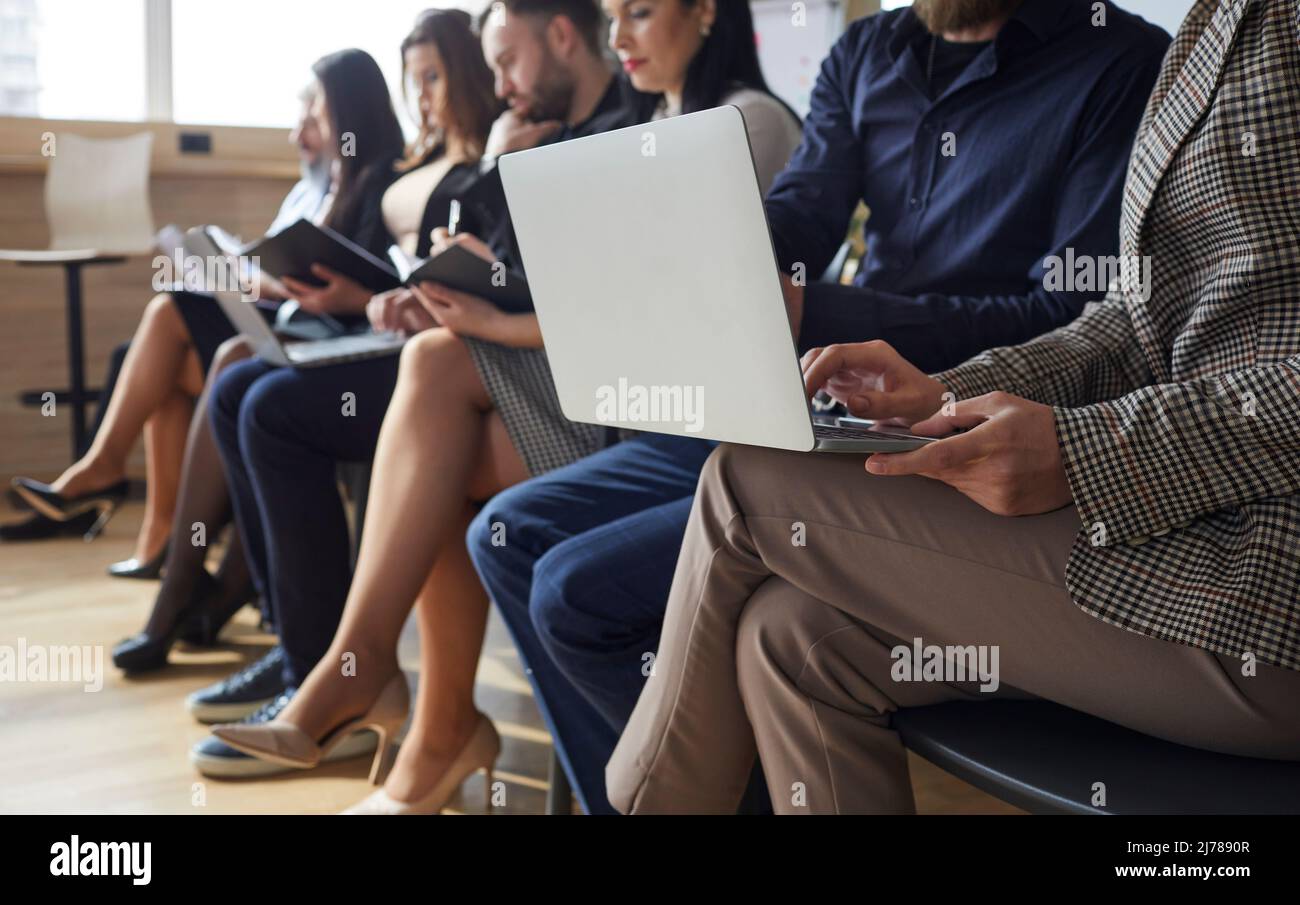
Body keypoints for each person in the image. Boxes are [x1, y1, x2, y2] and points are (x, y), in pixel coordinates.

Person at [468, 0, 1170, 814]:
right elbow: (802, 213)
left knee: (574, 593)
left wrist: (824, 314)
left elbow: (1069, 321)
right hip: (809, 401)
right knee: (508, 535)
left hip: (951, 436)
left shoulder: (1119, 62)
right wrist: (698, 248)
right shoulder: (870, 50)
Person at [607, 0, 1300, 815]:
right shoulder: (1214, 24)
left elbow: (1077, 311)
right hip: (1196, 524)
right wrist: (951, 390)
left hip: (1266, 575)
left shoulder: (1151, 49)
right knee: (789, 635)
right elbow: (1130, 322)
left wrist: (1086, 451)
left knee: (745, 483)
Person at [210, 0, 800, 816]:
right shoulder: (645, 120)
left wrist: (495, 317)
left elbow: (660, 305)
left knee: (426, 394)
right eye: (613, 16)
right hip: (608, 383)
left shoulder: (741, 121)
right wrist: (474, 266)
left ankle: (380, 690)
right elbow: (601, 287)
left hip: (674, 407)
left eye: (638, 14)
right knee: (424, 397)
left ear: (705, 14)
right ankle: (415, 718)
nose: (616, 34)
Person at [185, 9, 501, 776]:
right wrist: (370, 294)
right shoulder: (413, 163)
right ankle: (302, 647)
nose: (423, 94)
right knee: (236, 387)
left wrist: (372, 297)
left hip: (443, 357)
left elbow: (487, 273)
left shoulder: (490, 160)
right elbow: (398, 268)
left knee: (270, 407)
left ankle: (331, 672)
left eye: (434, 77)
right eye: (413, 80)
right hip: (399, 339)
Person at [1, 86, 334, 566]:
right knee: (160, 361)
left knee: (165, 318)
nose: (296, 134)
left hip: (289, 333)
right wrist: (232, 269)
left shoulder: (346, 188)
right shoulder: (305, 190)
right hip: (256, 312)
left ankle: (105, 471)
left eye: (314, 121)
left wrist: (249, 278)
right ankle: (157, 536)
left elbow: (307, 280)